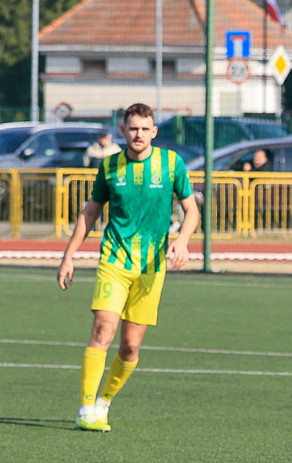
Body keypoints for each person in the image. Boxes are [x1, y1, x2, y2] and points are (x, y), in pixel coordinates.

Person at [57, 103, 200, 432]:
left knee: (131, 346)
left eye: (144, 129)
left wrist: (182, 240)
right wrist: (69, 256)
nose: (138, 134)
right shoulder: (110, 167)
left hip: (151, 267)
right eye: (132, 128)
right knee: (102, 332)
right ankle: (85, 409)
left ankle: (104, 402)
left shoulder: (171, 164)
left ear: (154, 131)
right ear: (123, 130)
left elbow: (191, 211)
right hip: (114, 261)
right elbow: (90, 213)